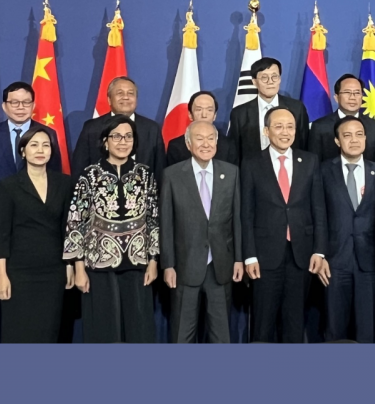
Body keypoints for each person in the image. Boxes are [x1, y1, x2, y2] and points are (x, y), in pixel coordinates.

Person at [65, 115, 159, 342]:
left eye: (128, 136)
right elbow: (76, 220)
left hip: (137, 263)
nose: (122, 141)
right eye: (116, 136)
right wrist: (78, 267)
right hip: (98, 264)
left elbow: (153, 219)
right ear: (105, 141)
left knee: (138, 329)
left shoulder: (145, 174)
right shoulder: (90, 174)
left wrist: (154, 261)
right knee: (103, 329)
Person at [240, 106, 326, 343]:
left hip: (301, 255)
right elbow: (246, 213)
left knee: (294, 323)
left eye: (290, 127)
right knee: (263, 324)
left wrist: (319, 250)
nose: (285, 132)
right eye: (278, 126)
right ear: (266, 131)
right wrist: (249, 256)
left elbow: (318, 209)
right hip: (264, 256)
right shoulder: (251, 163)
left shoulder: (309, 161)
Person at [160, 121, 243, 342]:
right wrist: (168, 264)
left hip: (221, 266)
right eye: (199, 138)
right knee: (183, 335)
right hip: (184, 267)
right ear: (188, 144)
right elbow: (166, 223)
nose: (206, 144)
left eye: (210, 138)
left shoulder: (231, 173)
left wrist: (238, 259)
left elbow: (236, 220)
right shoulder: (172, 175)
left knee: (221, 336)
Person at [0, 128, 75, 343]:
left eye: (46, 145)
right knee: (19, 332)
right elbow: (1, 234)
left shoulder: (65, 183)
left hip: (54, 270)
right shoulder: (8, 186)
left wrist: (69, 266)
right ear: (23, 151)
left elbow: (68, 229)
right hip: (19, 272)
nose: (40, 150)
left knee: (49, 331)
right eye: (34, 145)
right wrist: (1, 275)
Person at [316, 116, 375, 342]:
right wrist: (320, 254)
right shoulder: (322, 172)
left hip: (370, 263)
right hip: (334, 262)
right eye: (347, 135)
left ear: (366, 138)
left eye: (359, 134)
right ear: (337, 141)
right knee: (335, 330)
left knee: (368, 331)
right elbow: (317, 216)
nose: (354, 140)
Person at [71, 77, 165, 178]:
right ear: (109, 100)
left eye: (130, 93)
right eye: (120, 93)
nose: (126, 97)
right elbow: (79, 169)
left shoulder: (152, 129)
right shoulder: (92, 128)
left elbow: (160, 171)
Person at [0, 82, 61, 190]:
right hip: (0, 197)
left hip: (36, 197)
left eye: (26, 102)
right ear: (4, 106)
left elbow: (54, 171)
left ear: (33, 105)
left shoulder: (47, 133)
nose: (21, 107)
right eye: (14, 102)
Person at [228, 57, 311, 166]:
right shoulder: (240, 113)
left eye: (274, 77)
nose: (270, 82)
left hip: (290, 168)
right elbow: (235, 151)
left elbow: (304, 143)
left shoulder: (296, 108)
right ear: (254, 82)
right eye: (264, 78)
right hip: (253, 170)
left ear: (280, 79)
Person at [308, 74, 375, 164]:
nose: (352, 97)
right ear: (336, 97)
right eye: (347, 92)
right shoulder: (320, 127)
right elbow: (313, 164)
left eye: (357, 93)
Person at [164, 91, 231, 166]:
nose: (204, 115)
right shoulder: (175, 146)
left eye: (209, 110)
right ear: (190, 114)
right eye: (199, 110)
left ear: (215, 115)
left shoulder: (228, 145)